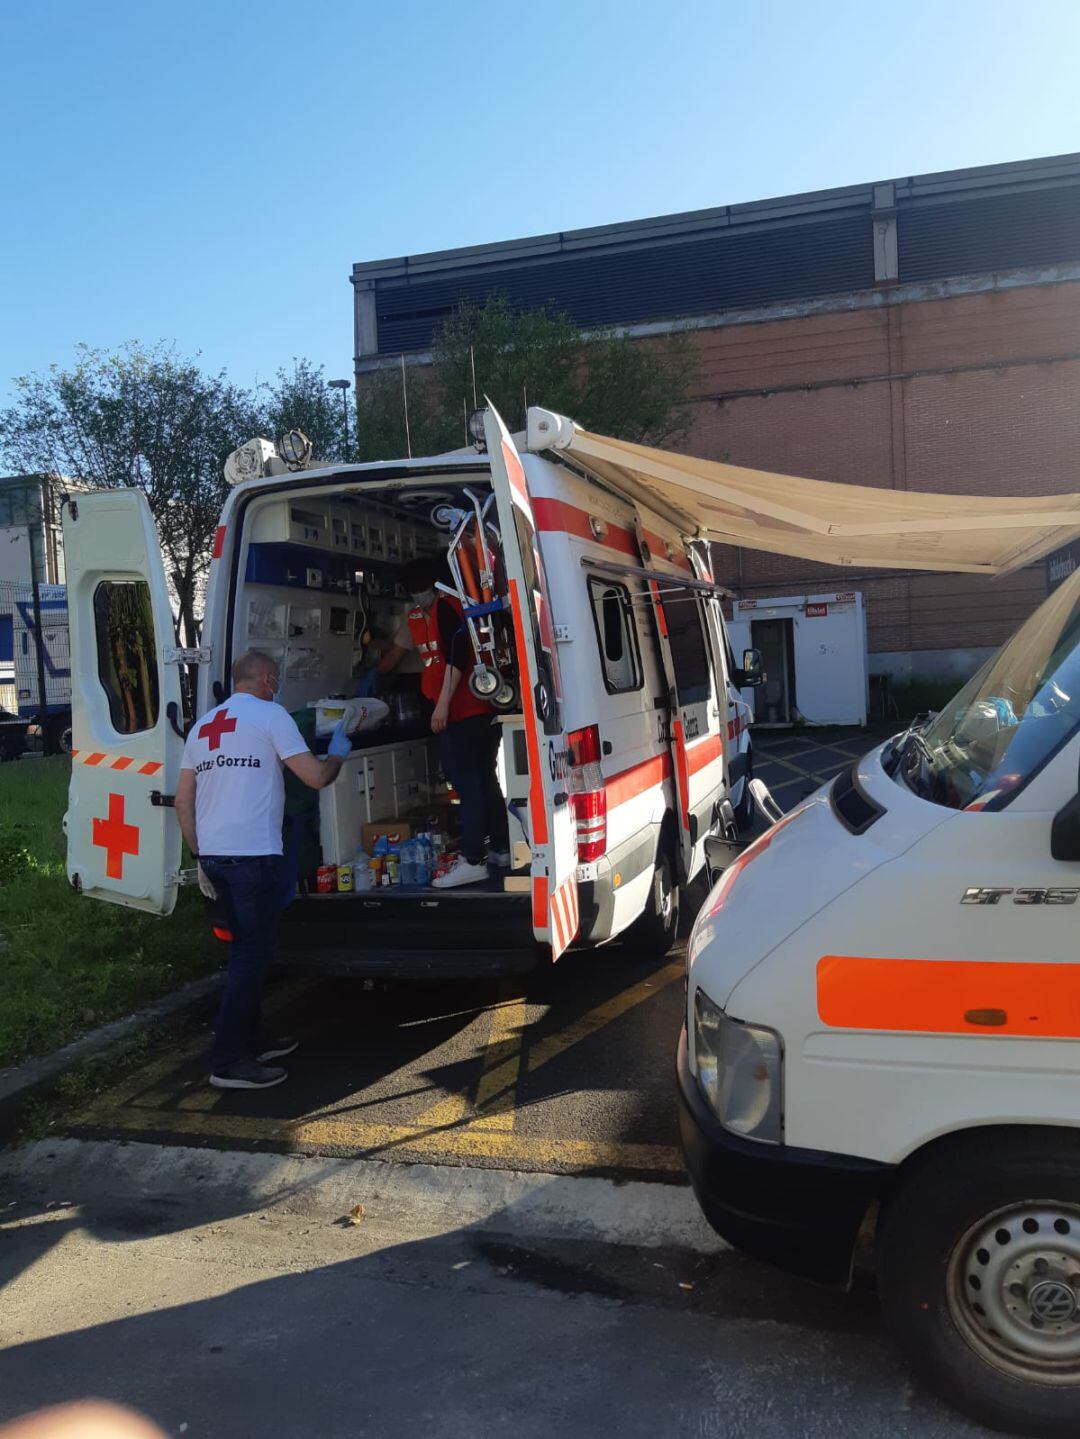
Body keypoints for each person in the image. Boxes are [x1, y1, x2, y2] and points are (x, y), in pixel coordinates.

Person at [174, 649, 352, 1091]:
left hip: (216, 856)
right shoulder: (271, 716)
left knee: (245, 952)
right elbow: (314, 778)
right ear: (267, 679)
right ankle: (229, 1060)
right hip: (253, 856)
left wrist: (199, 857)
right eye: (276, 680)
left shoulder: (203, 727)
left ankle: (253, 1041)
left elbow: (182, 800)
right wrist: (338, 754)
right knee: (250, 958)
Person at [395, 554, 510, 887]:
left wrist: (442, 704)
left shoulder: (447, 607)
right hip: (478, 711)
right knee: (484, 779)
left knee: (466, 782)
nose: (415, 595)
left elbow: (458, 655)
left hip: (463, 710)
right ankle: (500, 849)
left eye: (418, 588)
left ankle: (473, 858)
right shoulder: (428, 612)